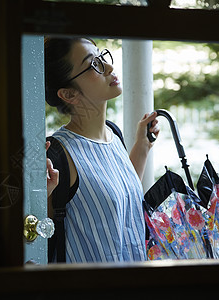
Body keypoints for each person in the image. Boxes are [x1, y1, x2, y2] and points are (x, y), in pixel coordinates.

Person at [44, 37, 160, 263]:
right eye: (93, 64)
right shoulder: (59, 153)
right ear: (69, 94)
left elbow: (119, 198)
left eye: (101, 56)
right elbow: (39, 227)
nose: (109, 67)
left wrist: (142, 146)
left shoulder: (113, 135)